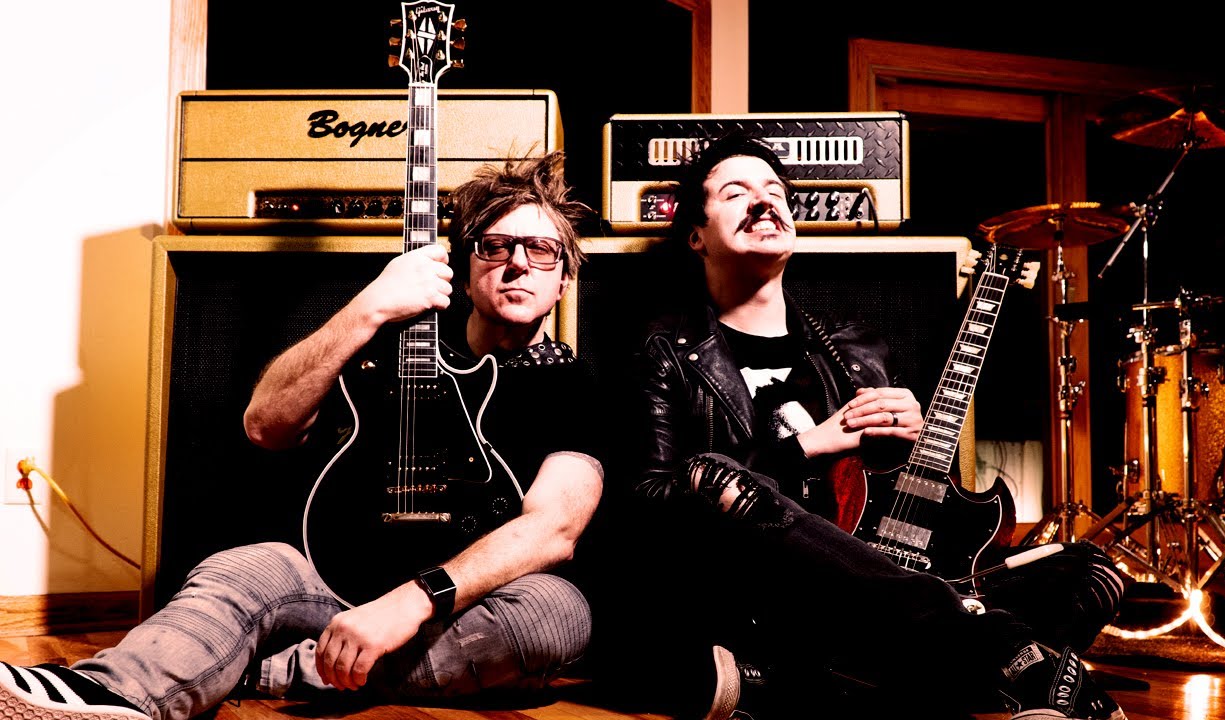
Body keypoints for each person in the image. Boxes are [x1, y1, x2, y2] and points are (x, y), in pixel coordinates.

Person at [0, 152, 605, 720]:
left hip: (462, 609)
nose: (518, 263)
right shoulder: (392, 347)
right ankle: (108, 694)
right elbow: (265, 425)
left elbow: (554, 528)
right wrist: (370, 307)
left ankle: (274, 671)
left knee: (556, 615)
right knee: (247, 565)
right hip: (330, 579)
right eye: (495, 246)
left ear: (563, 280)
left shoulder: (577, 385)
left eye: (542, 250)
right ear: (464, 270)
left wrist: (409, 602)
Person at [591, 134, 1127, 720]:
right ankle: (1000, 655)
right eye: (735, 193)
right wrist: (806, 446)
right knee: (716, 478)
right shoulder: (665, 352)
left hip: (864, 588)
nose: (763, 201)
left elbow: (894, 508)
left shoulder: (856, 350)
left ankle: (824, 683)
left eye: (774, 191)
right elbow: (649, 500)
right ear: (696, 235)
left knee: (1089, 573)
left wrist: (919, 442)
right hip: (752, 590)